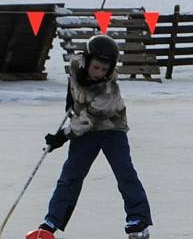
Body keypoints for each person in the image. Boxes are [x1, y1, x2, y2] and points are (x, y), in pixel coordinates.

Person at [35, 35, 152, 239]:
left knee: (124, 173)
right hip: (84, 129)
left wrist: (61, 137)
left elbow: (87, 121)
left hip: (112, 129)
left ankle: (138, 219)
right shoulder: (74, 66)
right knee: (70, 176)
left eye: (104, 70)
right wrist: (70, 99)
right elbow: (73, 86)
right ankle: (52, 220)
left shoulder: (108, 90)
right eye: (96, 67)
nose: (99, 73)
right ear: (87, 61)